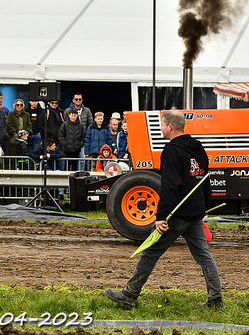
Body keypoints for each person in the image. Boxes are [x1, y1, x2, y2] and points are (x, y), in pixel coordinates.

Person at [104, 110, 222, 310]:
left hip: (177, 214)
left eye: (161, 124)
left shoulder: (171, 151)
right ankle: (216, 300)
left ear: (170, 127)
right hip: (194, 213)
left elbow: (169, 186)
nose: (160, 128)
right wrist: (205, 206)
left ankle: (129, 295)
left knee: (150, 252)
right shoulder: (198, 148)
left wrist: (160, 216)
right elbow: (204, 178)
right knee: (203, 255)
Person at [64, 92, 93, 170]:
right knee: (70, 160)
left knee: (82, 160)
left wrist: (86, 136)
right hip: (71, 139)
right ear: (73, 100)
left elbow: (90, 124)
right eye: (76, 99)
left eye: (79, 99)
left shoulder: (87, 110)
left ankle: (81, 175)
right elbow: (65, 125)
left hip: (82, 139)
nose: (78, 101)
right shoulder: (68, 111)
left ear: (82, 100)